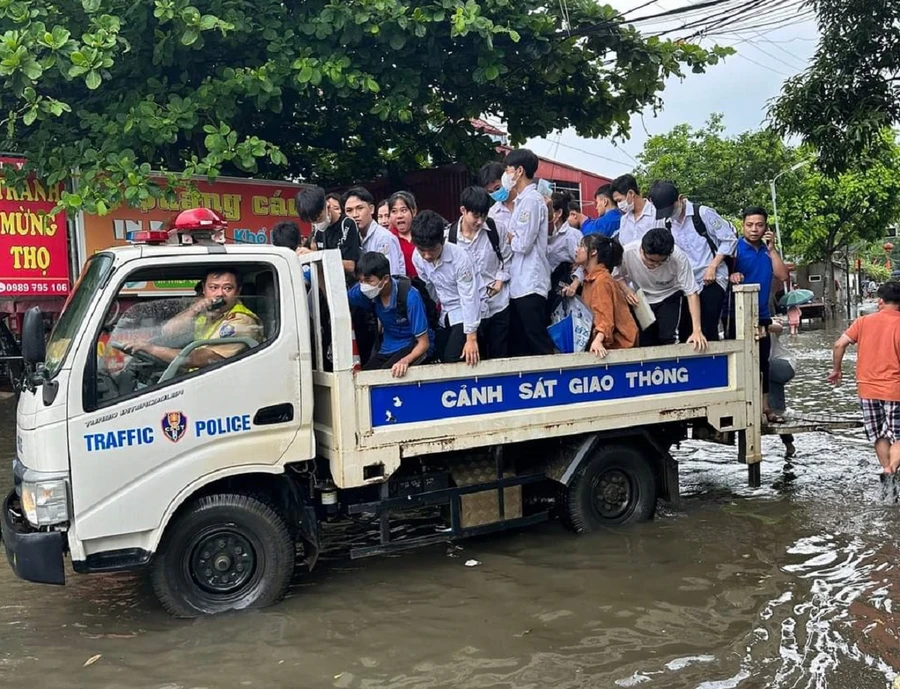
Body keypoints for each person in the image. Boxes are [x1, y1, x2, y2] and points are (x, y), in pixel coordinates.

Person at [649, 181, 738, 342]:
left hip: (712, 277)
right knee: (686, 331)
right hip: (686, 282)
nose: (670, 214)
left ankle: (712, 364)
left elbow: (729, 239)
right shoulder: (667, 223)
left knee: (707, 328)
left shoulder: (702, 214)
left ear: (680, 199)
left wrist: (713, 266)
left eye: (671, 209)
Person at [828, 281, 900, 481]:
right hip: (895, 389)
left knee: (879, 436)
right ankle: (892, 468)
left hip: (867, 389)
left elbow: (838, 345)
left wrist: (836, 370)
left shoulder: (863, 322)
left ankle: (887, 471)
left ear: (880, 301)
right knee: (899, 436)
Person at [123, 267, 263, 368]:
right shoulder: (206, 313)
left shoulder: (241, 321)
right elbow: (168, 332)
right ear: (204, 288)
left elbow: (197, 359)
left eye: (227, 288)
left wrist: (151, 349)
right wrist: (194, 310)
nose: (219, 294)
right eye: (213, 288)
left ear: (238, 291)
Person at [729, 206, 790, 422]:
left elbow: (782, 275)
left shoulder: (767, 251)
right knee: (739, 363)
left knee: (762, 362)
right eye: (749, 225)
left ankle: (765, 408)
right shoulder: (734, 248)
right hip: (735, 315)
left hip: (761, 314)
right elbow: (721, 274)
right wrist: (732, 274)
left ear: (766, 227)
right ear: (742, 225)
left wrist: (772, 249)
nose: (754, 229)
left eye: (759, 225)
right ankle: (741, 406)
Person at [502, 148, 557, 356]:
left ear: (519, 171)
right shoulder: (522, 201)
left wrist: (511, 238)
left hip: (530, 281)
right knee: (521, 339)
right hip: (520, 281)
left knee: (536, 337)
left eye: (508, 170)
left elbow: (523, 244)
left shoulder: (532, 201)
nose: (506, 175)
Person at [447, 186, 512, 360]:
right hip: (468, 309)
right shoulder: (450, 238)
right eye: (475, 215)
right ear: (463, 210)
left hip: (498, 304)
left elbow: (506, 257)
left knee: (500, 356)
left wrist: (500, 280)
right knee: (475, 359)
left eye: (483, 215)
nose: (479, 221)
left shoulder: (496, 229)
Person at [411, 210, 483, 365]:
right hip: (445, 313)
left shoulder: (460, 258)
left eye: (432, 250)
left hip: (467, 312)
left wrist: (471, 338)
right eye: (422, 250)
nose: (427, 256)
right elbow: (429, 288)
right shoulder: (417, 258)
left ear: (442, 241)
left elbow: (469, 297)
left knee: (453, 358)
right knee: (438, 357)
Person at [617, 228, 707, 351]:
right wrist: (627, 291)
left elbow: (691, 292)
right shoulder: (627, 252)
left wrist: (697, 330)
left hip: (670, 294)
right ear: (642, 250)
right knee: (645, 340)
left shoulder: (678, 257)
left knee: (668, 337)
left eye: (661, 262)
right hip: (642, 298)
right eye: (650, 260)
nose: (654, 265)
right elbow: (617, 276)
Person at [347, 252, 431, 377]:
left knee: (388, 374)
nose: (364, 285)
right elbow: (341, 298)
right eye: (361, 281)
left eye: (369, 281)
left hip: (411, 345)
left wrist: (405, 361)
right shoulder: (362, 291)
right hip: (386, 348)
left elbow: (424, 343)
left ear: (385, 279)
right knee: (365, 376)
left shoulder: (411, 297)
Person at [575, 235, 638, 357]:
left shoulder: (602, 281)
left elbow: (604, 317)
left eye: (582, 246)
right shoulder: (590, 280)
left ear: (593, 252)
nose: (577, 250)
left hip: (619, 348)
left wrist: (598, 340)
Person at [296, 186, 361, 283]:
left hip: (348, 285)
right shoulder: (318, 231)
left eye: (318, 218)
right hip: (328, 285)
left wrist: (315, 255)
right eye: (312, 221)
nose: (316, 223)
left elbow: (350, 266)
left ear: (327, 205)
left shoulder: (347, 224)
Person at [342, 186, 406, 275]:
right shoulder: (350, 238)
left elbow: (391, 277)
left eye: (360, 208)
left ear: (371, 209)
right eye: (349, 210)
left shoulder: (384, 238)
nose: (355, 215)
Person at [547, 190, 583, 304]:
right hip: (548, 288)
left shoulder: (571, 235)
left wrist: (574, 284)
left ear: (558, 213)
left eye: (548, 211)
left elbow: (584, 262)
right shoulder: (546, 234)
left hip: (564, 289)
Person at [767, 319, 796, 457]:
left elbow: (779, 327)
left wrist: (763, 325)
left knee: (761, 369)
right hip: (769, 374)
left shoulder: (767, 325)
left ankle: (789, 444)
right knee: (777, 405)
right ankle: (789, 444)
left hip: (783, 365)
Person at [611, 174, 657, 247]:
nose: (619, 205)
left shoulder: (655, 214)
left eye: (619, 200)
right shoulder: (624, 220)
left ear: (631, 193)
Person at [478, 161, 516, 237]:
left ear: (506, 179)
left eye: (497, 188)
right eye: (490, 192)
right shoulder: (492, 214)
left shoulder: (527, 201)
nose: (495, 193)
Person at [388, 191, 419, 278]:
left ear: (414, 211)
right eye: (394, 211)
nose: (399, 216)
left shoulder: (423, 233)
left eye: (403, 210)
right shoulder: (388, 238)